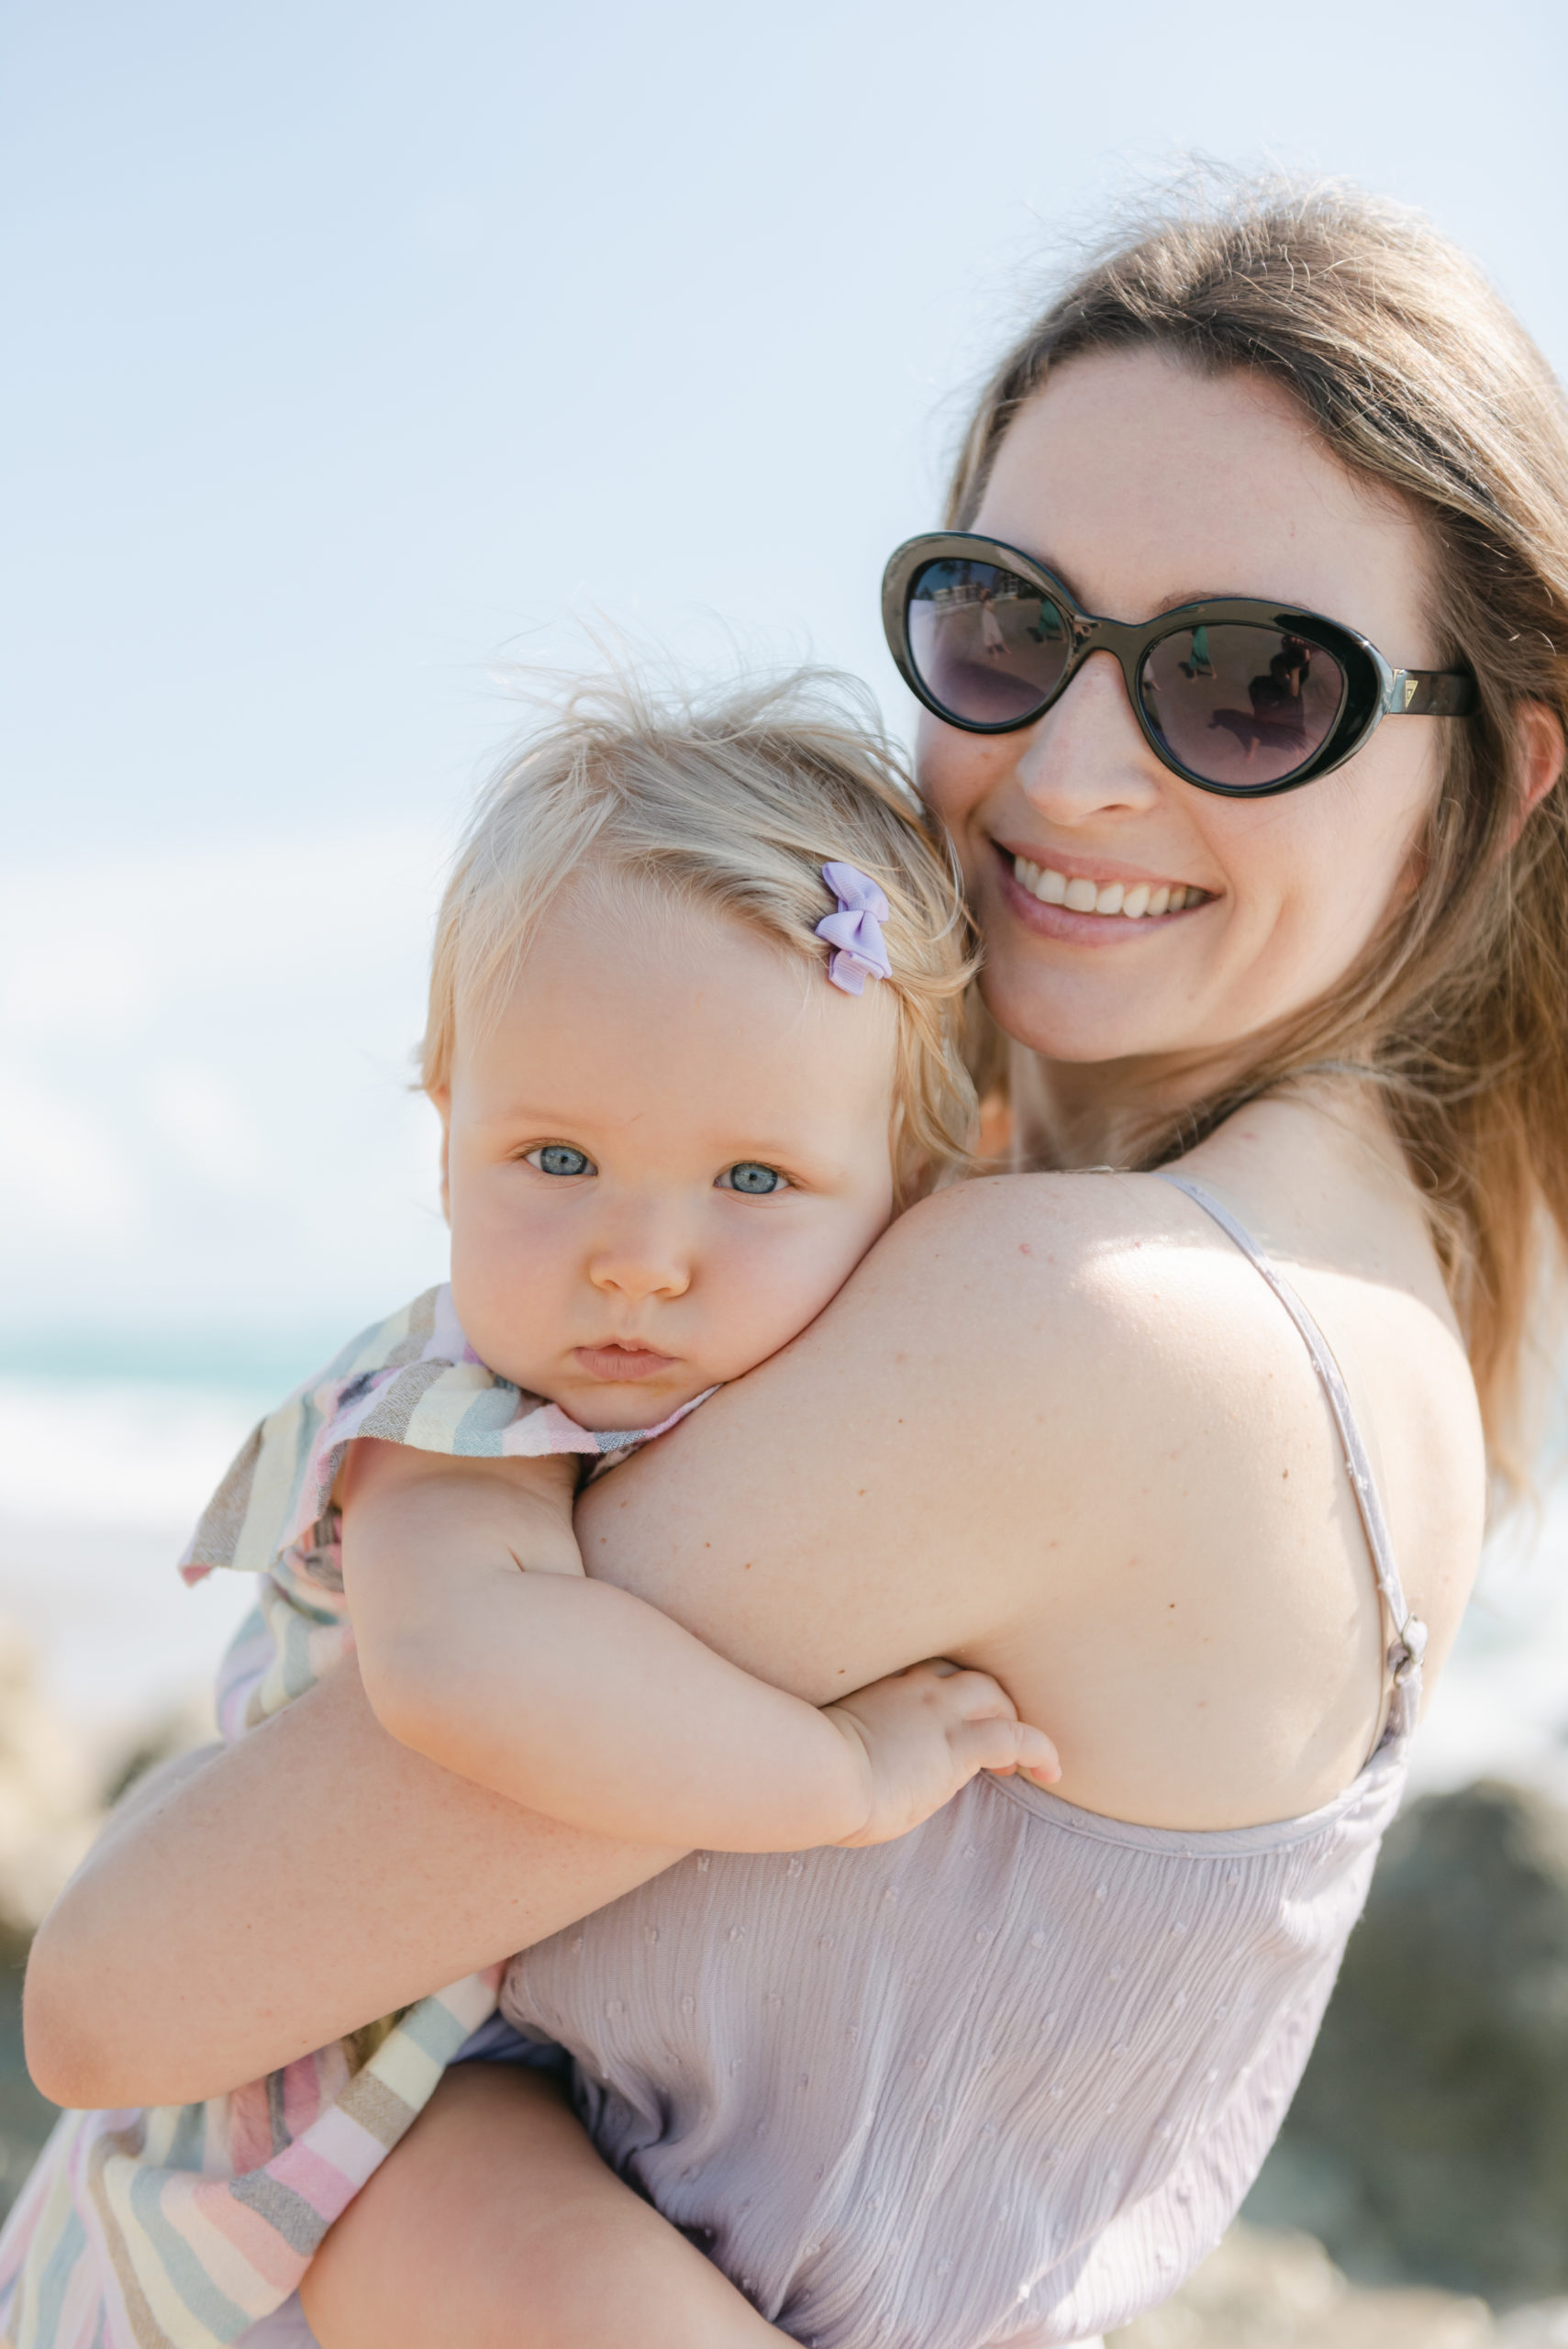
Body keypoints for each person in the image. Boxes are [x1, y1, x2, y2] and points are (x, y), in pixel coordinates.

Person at [16, 180, 1568, 2349]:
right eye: (1011, 626)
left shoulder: (1088, 1324)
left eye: (1246, 681)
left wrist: (450, 2190)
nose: (1077, 767)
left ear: (1494, 779)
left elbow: (114, 1994)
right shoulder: (1366, 1304)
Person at [0, 674, 1061, 2345]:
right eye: (555, 1159)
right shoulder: (453, 1423)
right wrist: (840, 1774)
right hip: (310, 2125)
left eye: (754, 1181)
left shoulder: (787, 1388)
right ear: (443, 1144)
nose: (638, 1250)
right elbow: (469, 1667)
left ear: (920, 1193)